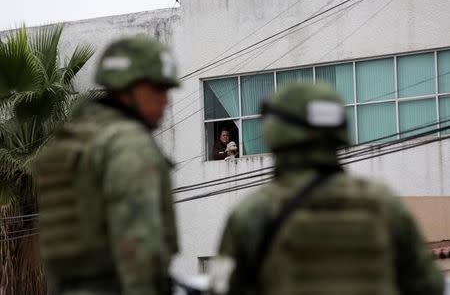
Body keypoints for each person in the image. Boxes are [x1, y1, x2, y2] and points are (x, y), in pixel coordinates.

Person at [211, 83, 444, 295]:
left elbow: (220, 288)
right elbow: (429, 285)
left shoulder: (251, 213)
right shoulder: (384, 203)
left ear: (275, 133)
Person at [33, 36, 179, 295]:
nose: (166, 100)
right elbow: (138, 248)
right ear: (127, 89)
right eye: (157, 89)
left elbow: (55, 252)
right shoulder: (127, 143)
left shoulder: (72, 140)